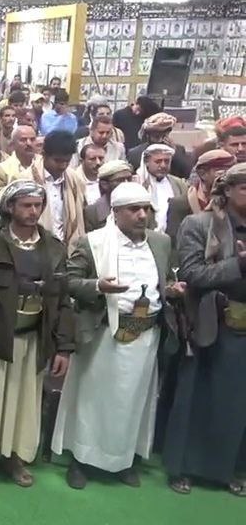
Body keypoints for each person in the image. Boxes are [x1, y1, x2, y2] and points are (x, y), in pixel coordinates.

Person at [53, 182, 182, 489]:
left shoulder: (161, 242)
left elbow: (165, 278)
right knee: (93, 400)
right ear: (116, 212)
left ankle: (122, 461)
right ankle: (82, 460)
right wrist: (98, 286)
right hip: (103, 333)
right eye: (134, 210)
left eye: (146, 209)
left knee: (132, 400)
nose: (142, 215)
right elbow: (68, 281)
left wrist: (173, 289)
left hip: (145, 335)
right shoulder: (93, 242)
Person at [0, 180, 73, 488]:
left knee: (26, 403)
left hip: (34, 336)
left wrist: (63, 347)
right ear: (10, 207)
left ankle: (15, 458)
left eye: (38, 205)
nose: (33, 211)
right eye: (26, 205)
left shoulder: (53, 247)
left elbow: (62, 300)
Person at [164, 163, 246, 496]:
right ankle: (182, 468)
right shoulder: (198, 224)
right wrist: (238, 264)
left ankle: (226, 470)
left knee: (237, 403)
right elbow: (192, 274)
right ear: (227, 190)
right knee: (196, 397)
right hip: (210, 321)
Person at [28, 130, 87, 248]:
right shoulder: (26, 179)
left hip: (68, 248)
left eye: (67, 161)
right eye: (58, 161)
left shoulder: (75, 179)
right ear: (44, 154)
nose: (63, 166)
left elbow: (79, 220)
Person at [166, 150, 235, 246]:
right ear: (203, 174)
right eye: (221, 171)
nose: (227, 177)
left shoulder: (236, 202)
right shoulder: (180, 204)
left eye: (231, 171)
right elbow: (174, 243)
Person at [136, 144, 188, 233]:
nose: (163, 165)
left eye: (167, 161)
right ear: (147, 162)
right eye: (158, 161)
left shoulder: (179, 184)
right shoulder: (138, 183)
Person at [127, 113, 193, 179]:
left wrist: (174, 152)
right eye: (156, 136)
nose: (160, 140)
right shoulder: (135, 153)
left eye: (164, 136)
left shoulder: (178, 150)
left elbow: (187, 173)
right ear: (148, 136)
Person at [0, 126, 40, 195]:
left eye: (32, 139)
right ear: (13, 144)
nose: (29, 143)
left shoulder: (45, 164)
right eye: (23, 140)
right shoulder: (1, 171)